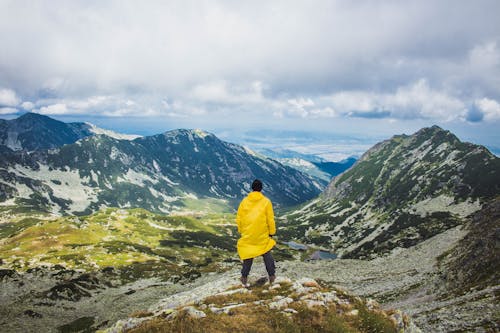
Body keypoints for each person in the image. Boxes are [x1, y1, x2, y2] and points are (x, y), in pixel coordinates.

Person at [236, 179, 276, 287]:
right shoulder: (266, 201)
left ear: (252, 188)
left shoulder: (244, 201)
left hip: (248, 233)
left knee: (248, 254)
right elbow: (270, 219)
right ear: (261, 188)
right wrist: (271, 232)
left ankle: (244, 277)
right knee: (266, 253)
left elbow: (239, 218)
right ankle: (272, 277)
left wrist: (241, 231)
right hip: (262, 234)